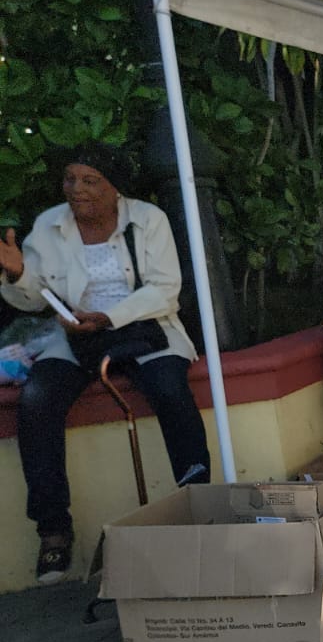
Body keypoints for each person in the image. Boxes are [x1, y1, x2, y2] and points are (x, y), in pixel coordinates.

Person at [0, 143, 211, 584]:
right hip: (77, 336)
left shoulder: (147, 219)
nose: (77, 190)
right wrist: (18, 273)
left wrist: (108, 317)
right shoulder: (49, 226)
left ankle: (199, 501)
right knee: (37, 400)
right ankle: (54, 531)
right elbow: (35, 298)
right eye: (70, 179)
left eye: (90, 180)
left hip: (144, 326)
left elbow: (165, 290)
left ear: (115, 187)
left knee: (170, 387)